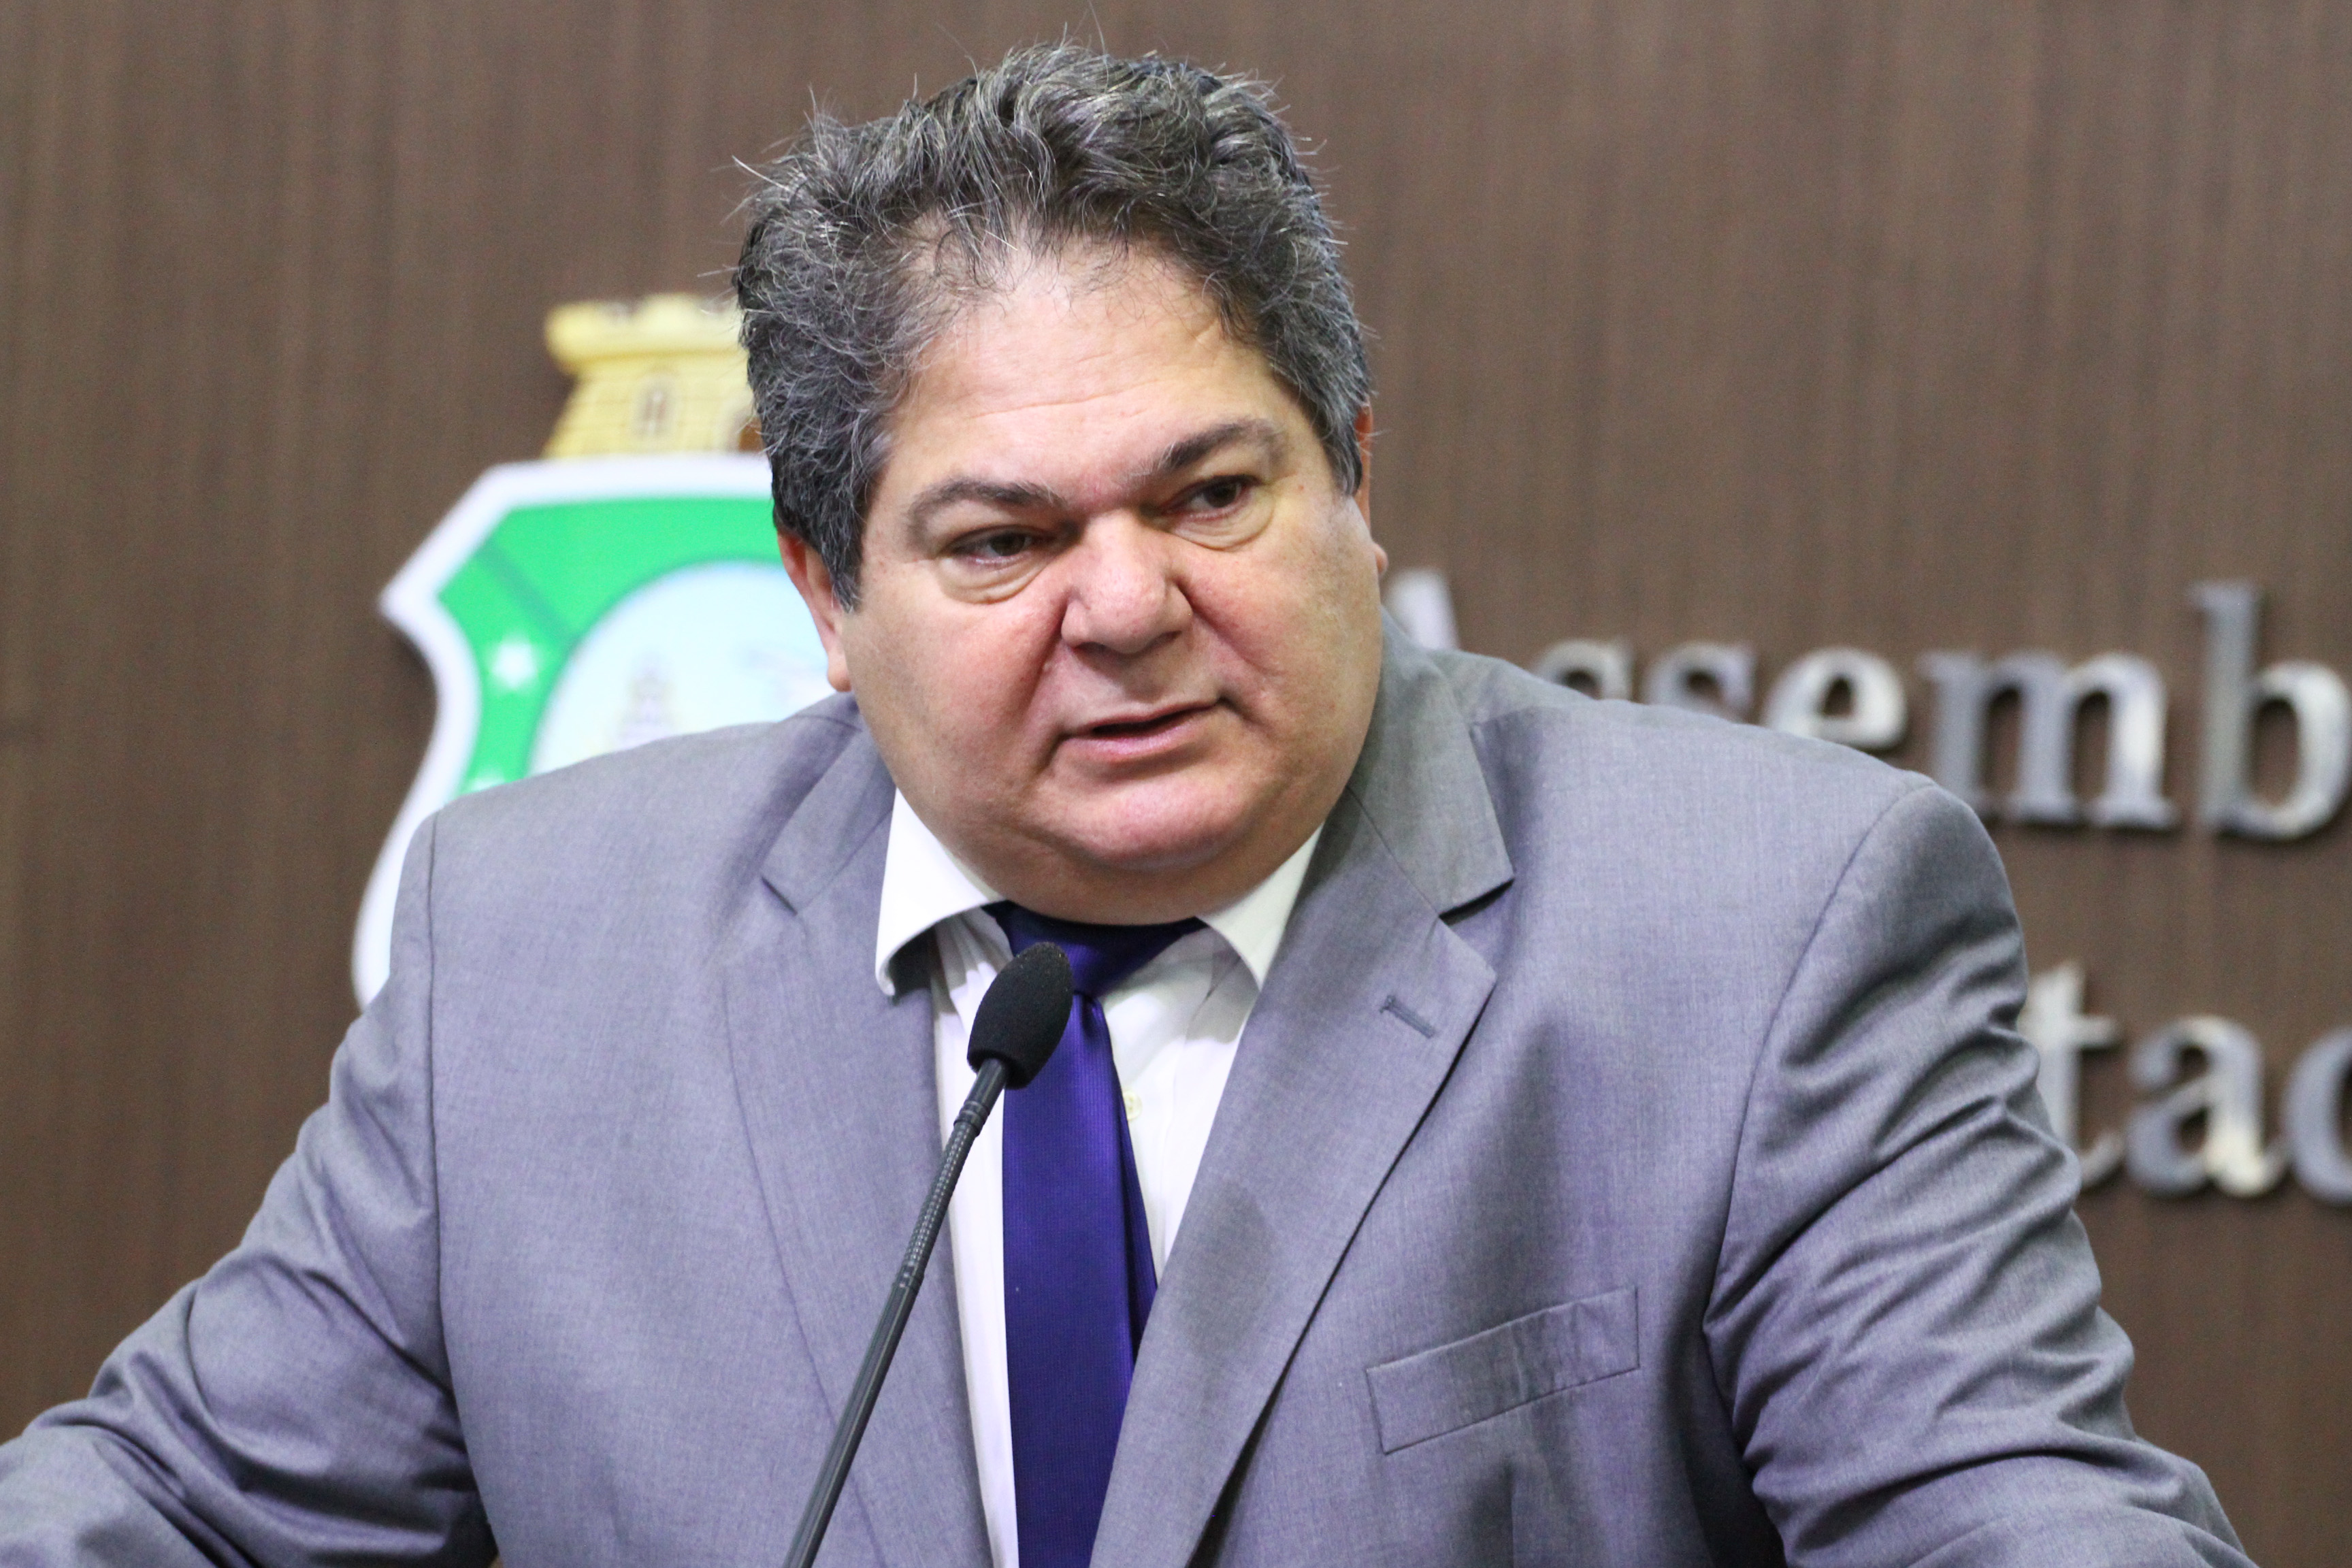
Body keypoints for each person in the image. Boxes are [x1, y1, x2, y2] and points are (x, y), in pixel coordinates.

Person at [0, 44, 2251, 1568]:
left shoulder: (1764, 927)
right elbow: (184, 1507)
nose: (1132, 608)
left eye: (1211, 495)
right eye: (1003, 542)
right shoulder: (539, 949)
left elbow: (2011, 1510)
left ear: (1353, 480)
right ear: (824, 592)